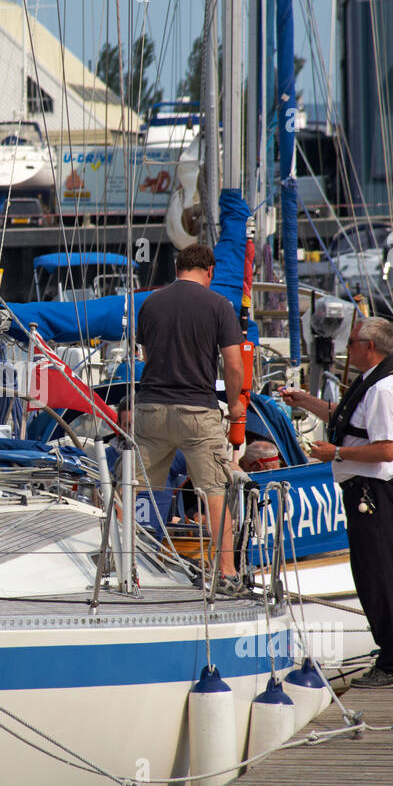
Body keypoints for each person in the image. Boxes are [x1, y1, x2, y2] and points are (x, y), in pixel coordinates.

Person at [278, 317, 393, 688]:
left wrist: (335, 453)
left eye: (353, 342)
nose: (347, 347)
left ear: (369, 347)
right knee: (371, 575)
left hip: (374, 492)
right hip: (365, 491)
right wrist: (305, 402)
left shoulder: (385, 389)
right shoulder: (373, 382)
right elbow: (349, 420)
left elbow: (387, 449)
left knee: (378, 576)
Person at [134, 243, 245, 584]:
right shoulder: (219, 306)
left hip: (151, 408)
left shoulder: (150, 303)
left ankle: (121, 563)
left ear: (177, 267)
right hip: (197, 411)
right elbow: (233, 363)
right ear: (209, 271)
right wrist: (236, 400)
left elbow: (148, 354)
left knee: (134, 487)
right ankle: (225, 572)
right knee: (214, 489)